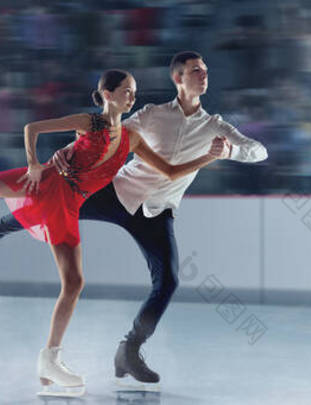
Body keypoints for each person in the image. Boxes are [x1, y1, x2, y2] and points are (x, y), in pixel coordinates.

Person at [0, 51, 268, 388]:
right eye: (194, 70)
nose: (203, 74)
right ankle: (4, 226)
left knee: (168, 281)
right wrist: (68, 157)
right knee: (53, 200)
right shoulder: (152, 115)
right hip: (116, 193)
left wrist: (228, 152)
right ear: (178, 79)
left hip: (158, 212)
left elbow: (259, 151)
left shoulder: (216, 126)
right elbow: (109, 133)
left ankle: (130, 349)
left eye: (205, 70)